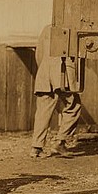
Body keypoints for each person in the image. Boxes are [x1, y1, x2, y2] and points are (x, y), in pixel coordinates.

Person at [30, 24, 82, 158]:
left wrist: (44, 68)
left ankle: (36, 147)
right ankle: (61, 141)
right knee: (74, 105)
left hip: (44, 72)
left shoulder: (46, 28)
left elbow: (39, 54)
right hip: (61, 73)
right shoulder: (71, 28)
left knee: (43, 110)